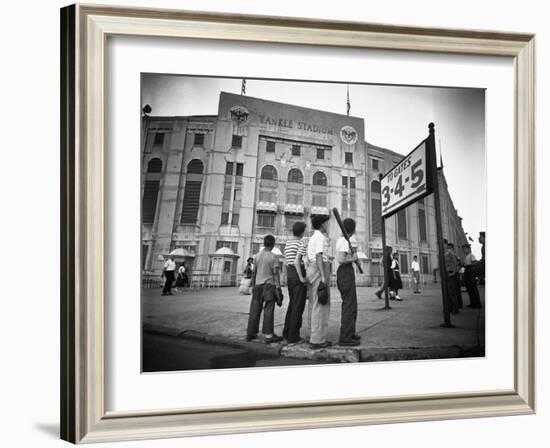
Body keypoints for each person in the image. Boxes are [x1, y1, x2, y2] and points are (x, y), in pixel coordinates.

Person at [246, 235, 283, 344]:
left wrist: (252, 285)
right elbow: (276, 274)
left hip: (257, 286)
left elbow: (254, 272)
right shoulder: (273, 257)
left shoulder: (257, 256)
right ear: (273, 244)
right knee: (268, 310)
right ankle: (268, 335)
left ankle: (251, 333)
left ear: (264, 243)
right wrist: (279, 287)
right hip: (269, 286)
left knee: (254, 310)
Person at [306, 214, 332, 350]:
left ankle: (312, 334)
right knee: (320, 304)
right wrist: (323, 277)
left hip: (312, 269)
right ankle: (317, 340)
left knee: (313, 303)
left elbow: (316, 255)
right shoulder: (320, 237)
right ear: (322, 224)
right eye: (327, 223)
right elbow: (318, 256)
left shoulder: (313, 237)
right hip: (318, 270)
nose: (328, 225)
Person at [335, 218, 361, 346]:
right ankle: (345, 338)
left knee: (352, 305)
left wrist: (353, 258)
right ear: (352, 229)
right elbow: (341, 259)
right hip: (345, 273)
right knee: (348, 306)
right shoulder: (344, 241)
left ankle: (350, 333)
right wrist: (353, 258)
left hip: (347, 272)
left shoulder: (345, 240)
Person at [282, 221, 308, 344]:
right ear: (302, 232)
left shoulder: (287, 243)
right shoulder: (301, 243)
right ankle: (294, 336)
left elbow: (286, 261)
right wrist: (302, 278)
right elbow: (297, 261)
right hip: (297, 274)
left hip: (290, 274)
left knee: (292, 304)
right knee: (298, 306)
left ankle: (286, 333)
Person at [462, 244, 482, 308]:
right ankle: (472, 303)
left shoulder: (471, 255)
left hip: (470, 271)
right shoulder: (466, 257)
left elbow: (474, 262)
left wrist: (470, 267)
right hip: (467, 271)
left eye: (465, 249)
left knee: (473, 288)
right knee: (469, 288)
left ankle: (477, 303)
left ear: (468, 249)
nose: (464, 250)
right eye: (463, 249)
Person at [444, 242, 460, 314]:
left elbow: (455, 262)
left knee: (451, 292)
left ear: (445, 244)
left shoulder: (450, 252)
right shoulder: (444, 253)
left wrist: (453, 272)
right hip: (446, 273)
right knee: (448, 292)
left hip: (450, 273)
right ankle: (450, 307)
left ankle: (455, 308)